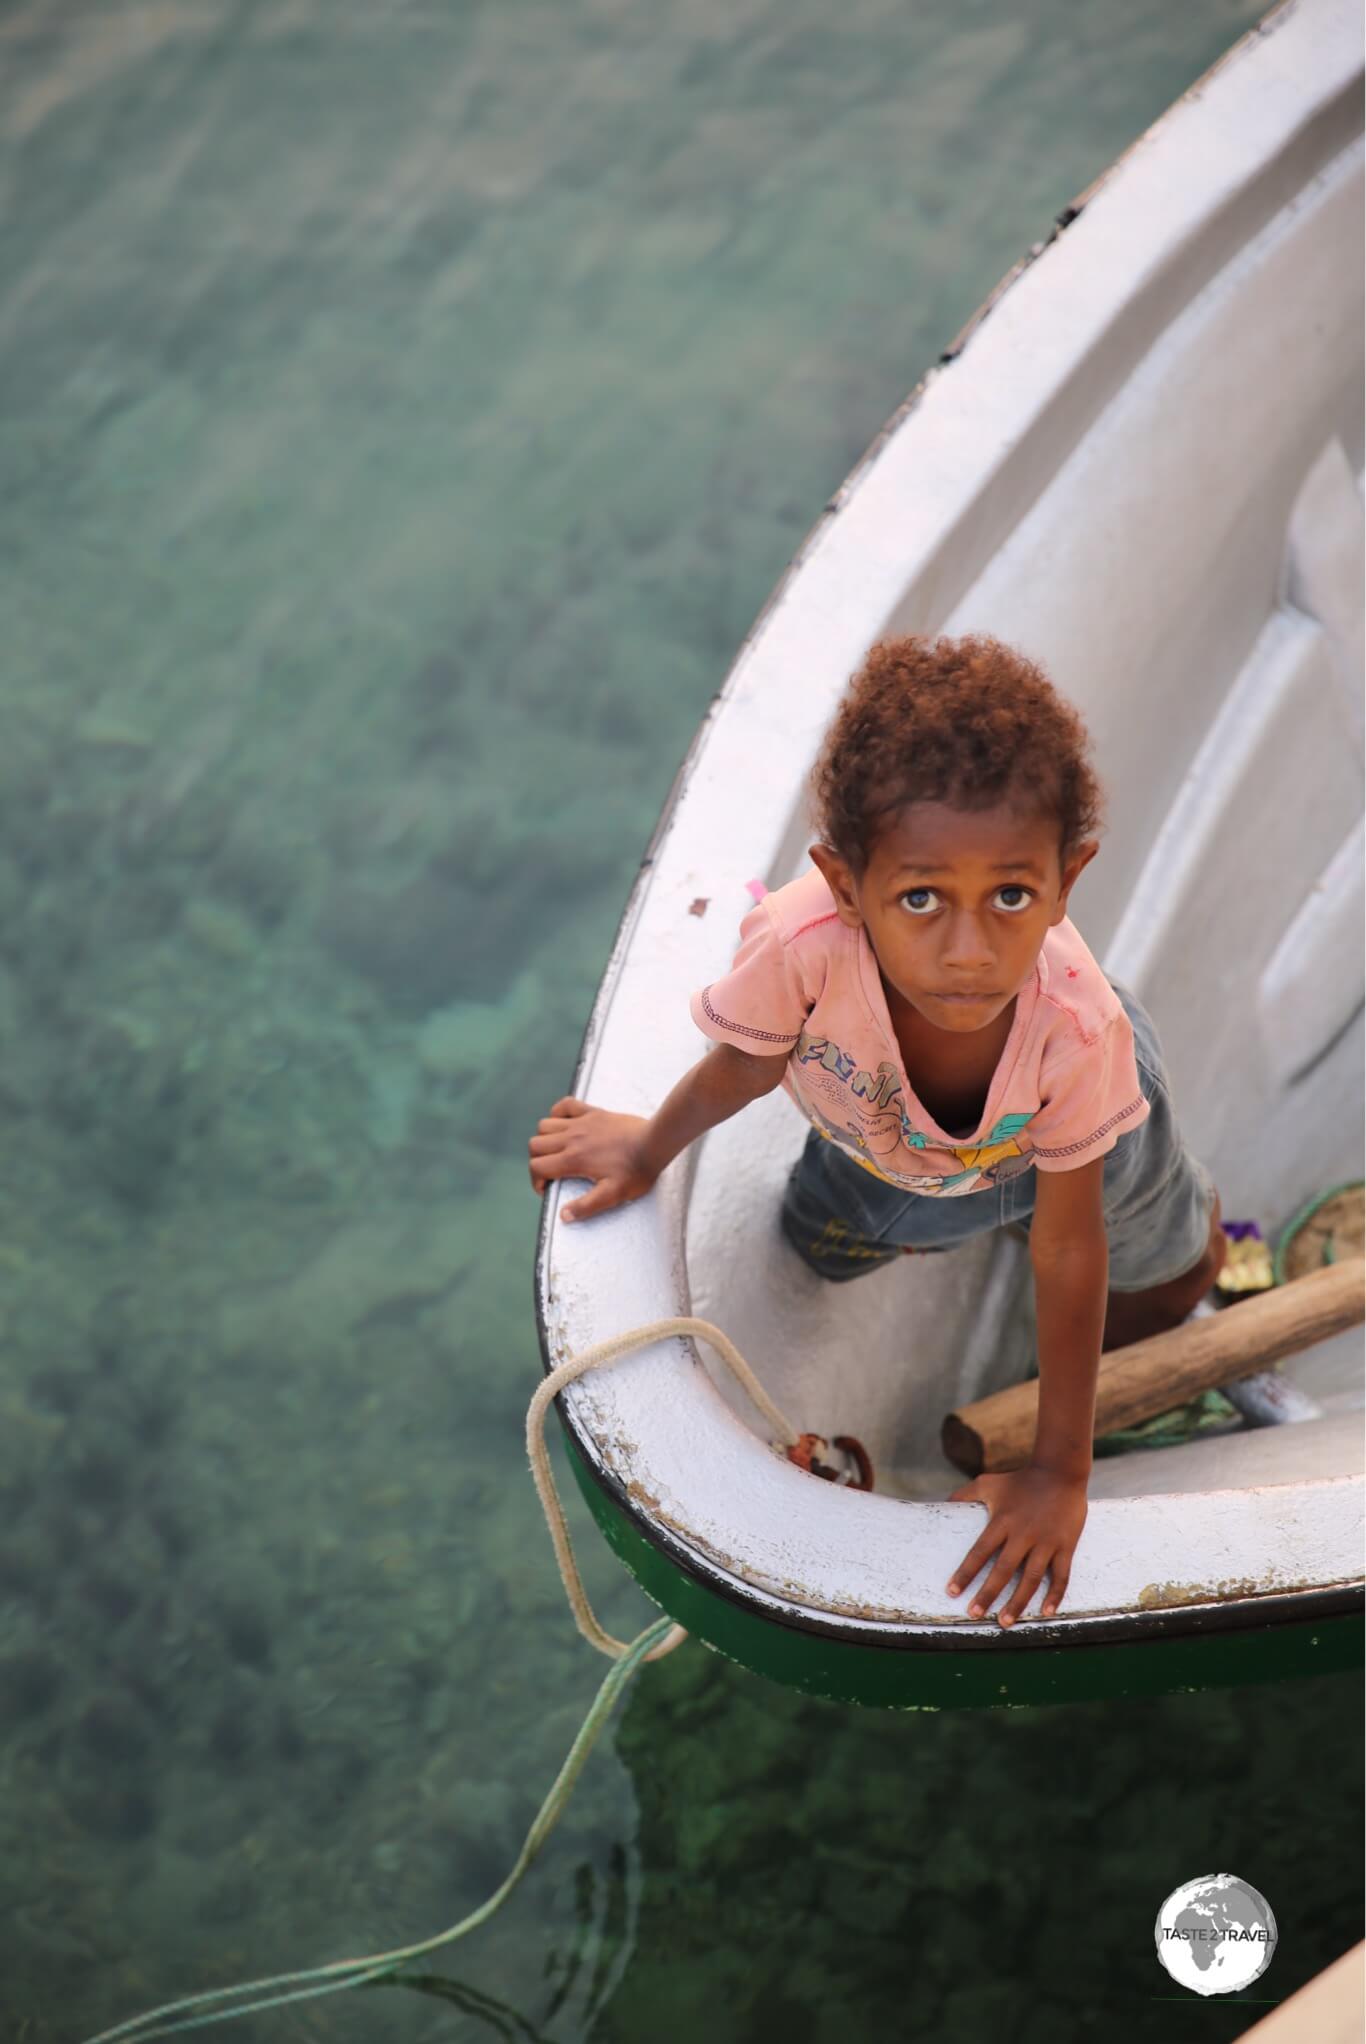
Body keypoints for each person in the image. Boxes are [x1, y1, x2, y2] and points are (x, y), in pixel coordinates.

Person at [527, 634, 1227, 1626]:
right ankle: (993, 1227)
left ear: (1067, 881)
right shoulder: (801, 949)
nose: (968, 952)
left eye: (1012, 896)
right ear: (846, 884)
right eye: (920, 899)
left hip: (1083, 1135)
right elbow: (748, 1059)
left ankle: (1192, 1264)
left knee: (1155, 1278)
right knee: (817, 1244)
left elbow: (1073, 1245)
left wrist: (1056, 1468)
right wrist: (646, 1148)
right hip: (888, 1144)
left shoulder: (1081, 1034)